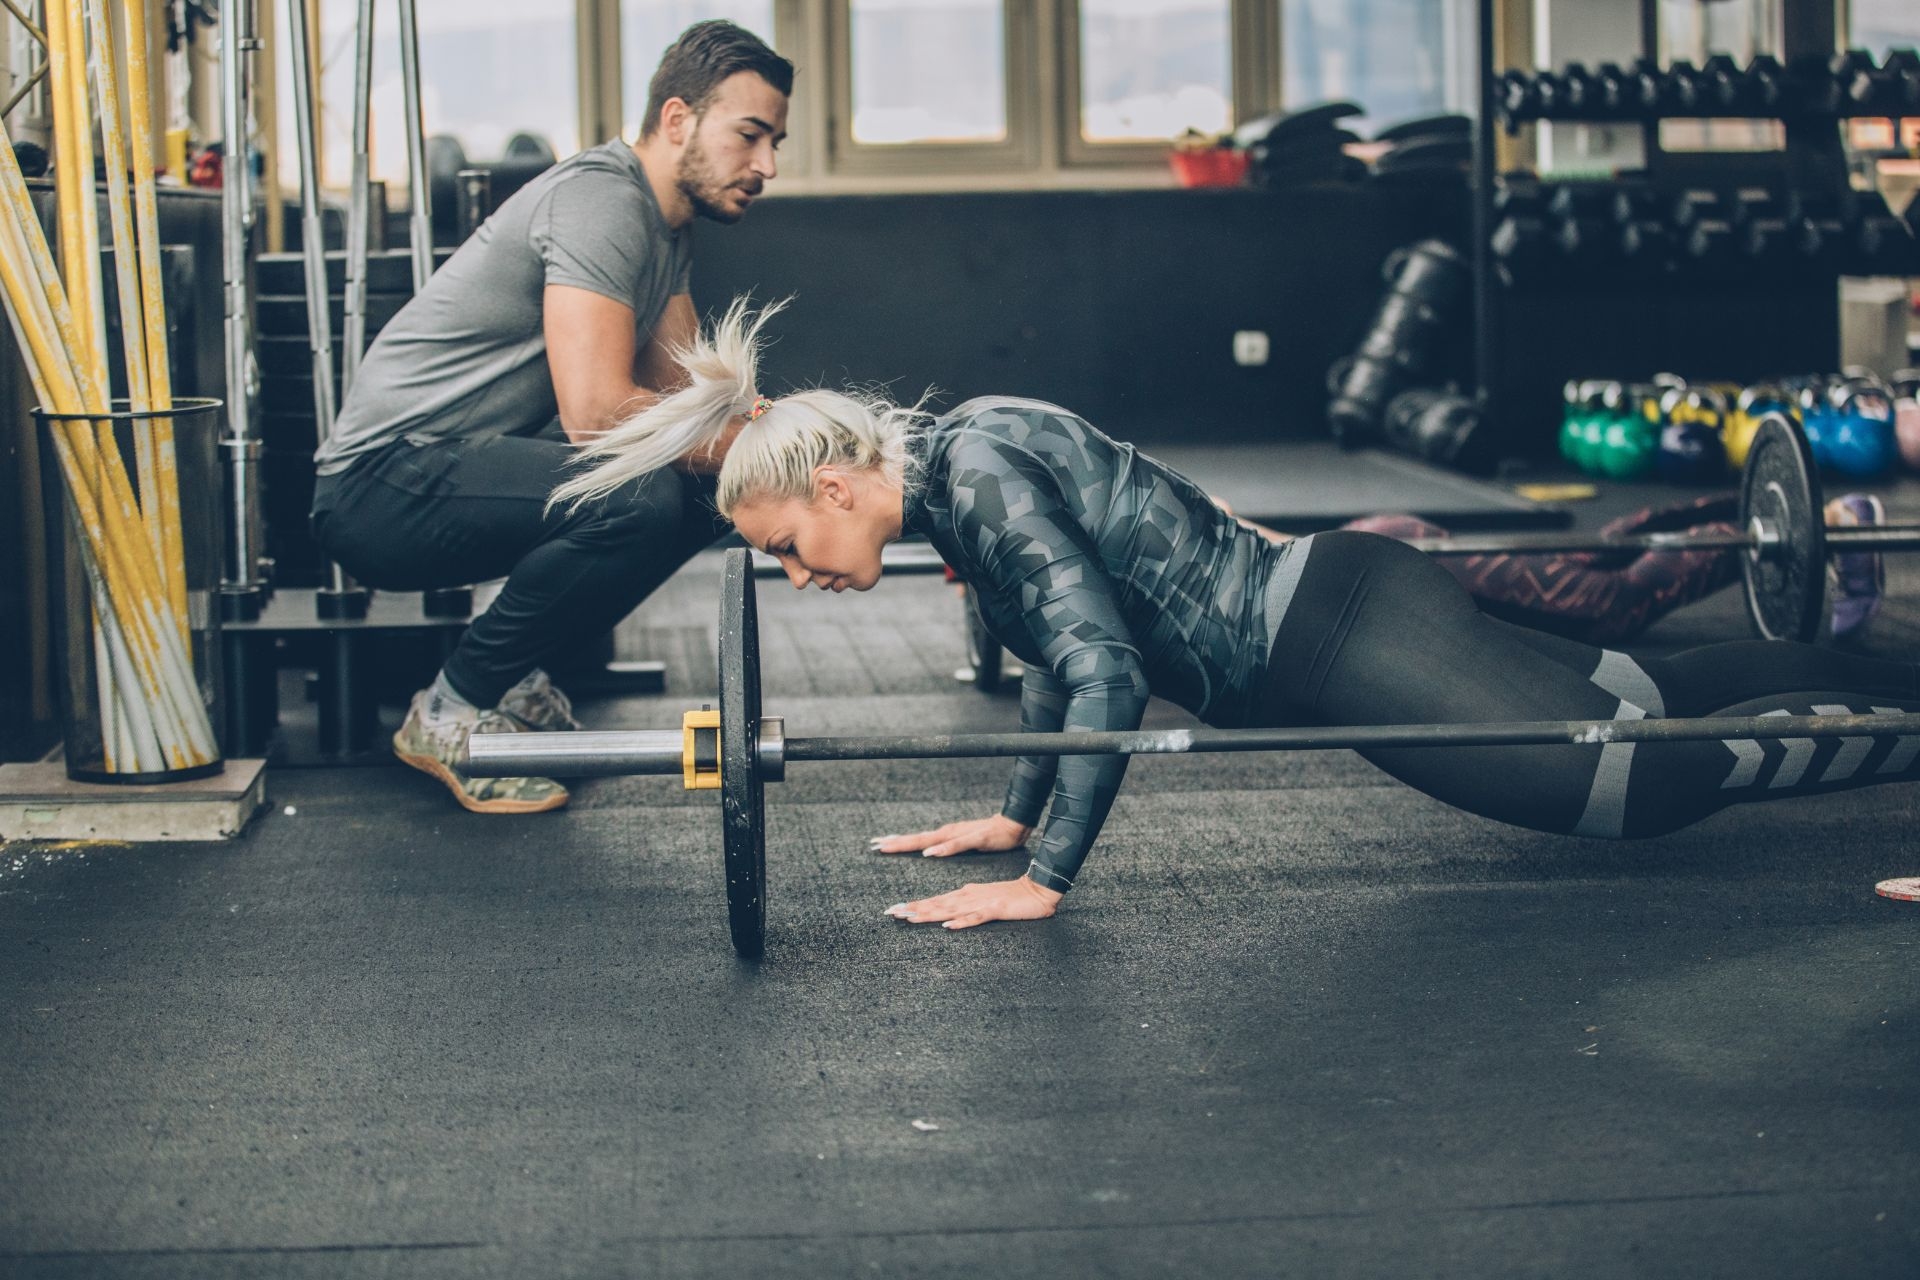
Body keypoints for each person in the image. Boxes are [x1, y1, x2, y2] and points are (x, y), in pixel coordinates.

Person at [558, 303, 1920, 929]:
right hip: (1347, 614)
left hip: (1344, 644)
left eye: (792, 547)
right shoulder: (968, 469)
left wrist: (1044, 879)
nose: (802, 577)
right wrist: (1018, 807)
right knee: (1657, 690)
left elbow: (1098, 667)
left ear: (843, 482)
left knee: (1647, 781)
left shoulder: (974, 474)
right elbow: (1057, 663)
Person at [308, 22, 793, 814]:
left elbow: (687, 397)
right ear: (677, 120)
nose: (766, 164)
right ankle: (448, 714)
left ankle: (512, 670)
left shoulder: (665, 228)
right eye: (750, 135)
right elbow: (599, 416)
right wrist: (758, 445)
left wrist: (780, 434)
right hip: (378, 486)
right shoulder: (603, 200)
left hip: (450, 467)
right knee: (634, 499)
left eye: (775, 141)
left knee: (713, 487)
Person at [1228, 491, 1887, 646]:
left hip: (1385, 564)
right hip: (1372, 553)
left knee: (1611, 604)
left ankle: (1828, 524)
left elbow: (1236, 524)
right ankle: (1783, 502)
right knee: (1588, 559)